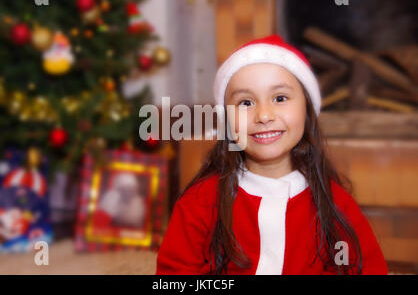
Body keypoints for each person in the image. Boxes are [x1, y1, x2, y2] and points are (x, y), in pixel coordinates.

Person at [156, 35, 388, 275]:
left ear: (307, 111)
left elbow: (367, 269)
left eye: (280, 98)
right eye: (246, 102)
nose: (264, 115)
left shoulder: (336, 205)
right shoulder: (199, 203)